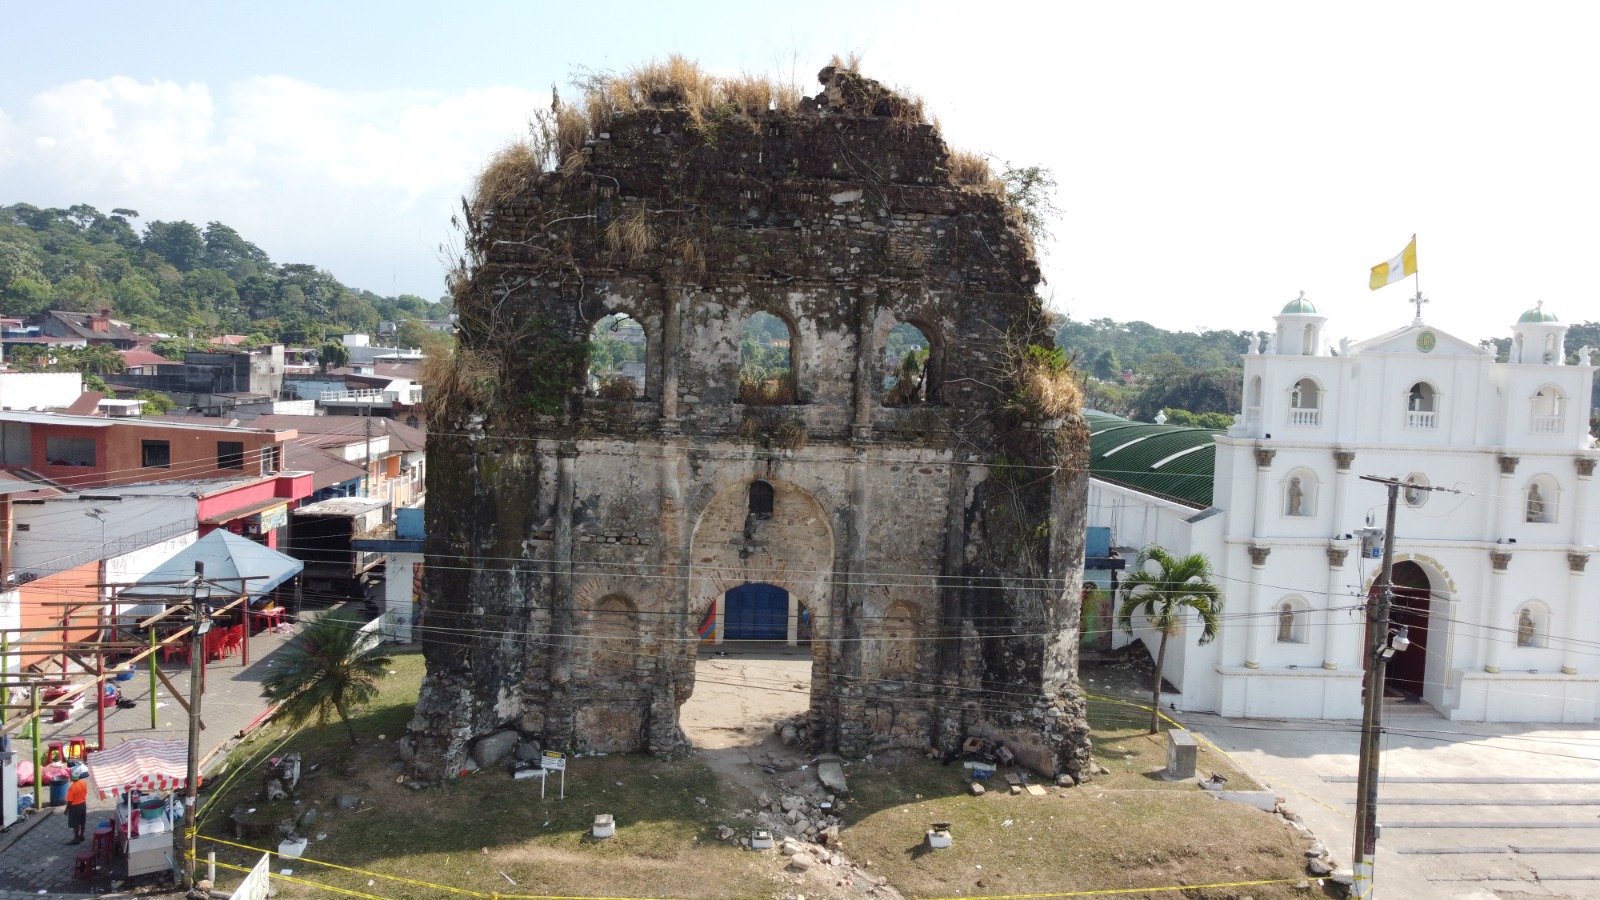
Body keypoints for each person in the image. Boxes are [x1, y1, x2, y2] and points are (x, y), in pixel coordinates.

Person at [65, 770, 89, 844]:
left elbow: (70, 801)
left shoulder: (72, 788)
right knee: (82, 821)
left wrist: (66, 810)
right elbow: (86, 792)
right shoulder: (83, 783)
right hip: (83, 804)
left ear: (72, 777)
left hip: (75, 807)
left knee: (76, 823)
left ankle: (76, 838)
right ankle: (81, 835)